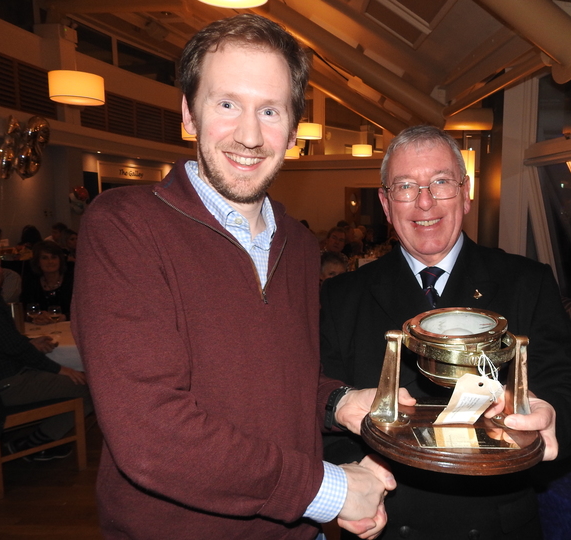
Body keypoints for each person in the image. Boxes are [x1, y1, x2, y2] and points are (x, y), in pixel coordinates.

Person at [72, 14, 413, 540]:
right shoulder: (125, 225)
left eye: (270, 110)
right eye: (227, 104)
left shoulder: (299, 244)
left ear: (294, 130)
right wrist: (330, 490)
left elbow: (276, 381)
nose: (250, 136)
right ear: (189, 113)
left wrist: (338, 402)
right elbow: (152, 434)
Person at [320, 125, 571, 539]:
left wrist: (552, 417)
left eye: (441, 182)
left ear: (466, 194)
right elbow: (320, 402)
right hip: (387, 515)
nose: (425, 201)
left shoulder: (528, 281)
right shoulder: (342, 295)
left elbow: (570, 391)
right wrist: (356, 472)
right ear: (386, 204)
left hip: (494, 522)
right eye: (405, 186)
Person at [0, 263, 92, 461]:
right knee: (90, 388)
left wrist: (29, 342)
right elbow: (16, 349)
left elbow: (6, 341)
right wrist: (59, 369)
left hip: (9, 379)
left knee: (80, 382)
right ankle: (33, 443)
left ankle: (33, 439)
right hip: (7, 384)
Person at [20, 241, 73, 323]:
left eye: (54, 257)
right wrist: (36, 317)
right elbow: (23, 311)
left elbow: (84, 310)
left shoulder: (72, 281)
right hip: (41, 327)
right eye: (44, 258)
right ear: (37, 262)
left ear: (60, 260)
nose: (50, 261)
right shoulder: (31, 283)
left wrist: (64, 317)